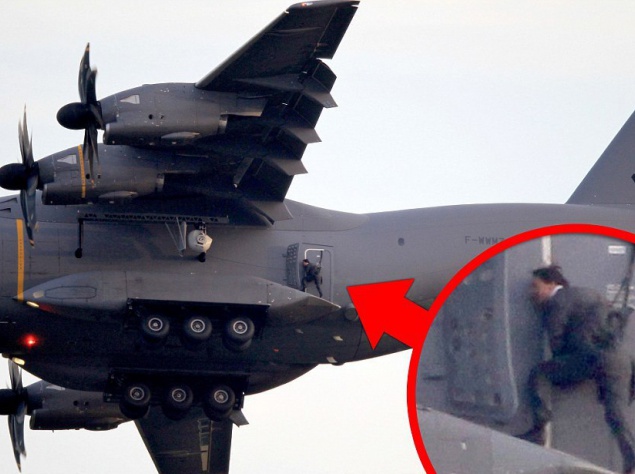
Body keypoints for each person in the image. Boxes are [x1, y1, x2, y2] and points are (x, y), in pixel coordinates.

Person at [522, 265, 635, 474]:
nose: (532, 292)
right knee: (616, 414)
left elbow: (556, 340)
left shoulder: (558, 301)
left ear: (551, 284)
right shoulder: (591, 294)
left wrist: (564, 366)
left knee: (539, 373)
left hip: (588, 359)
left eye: (535, 286)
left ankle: (539, 430)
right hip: (618, 360)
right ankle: (631, 459)